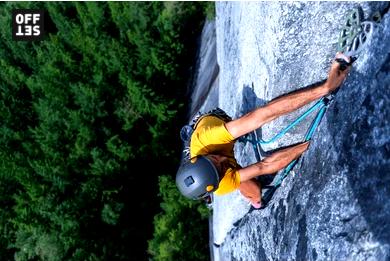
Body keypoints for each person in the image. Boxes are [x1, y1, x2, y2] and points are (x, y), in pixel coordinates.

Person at [176, 53, 352, 209]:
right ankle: (255, 200)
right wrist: (309, 145)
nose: (222, 160)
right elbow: (263, 166)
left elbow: (264, 115)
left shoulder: (209, 138)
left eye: (214, 159)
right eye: (220, 169)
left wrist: (325, 88)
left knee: (242, 137)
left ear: (201, 157)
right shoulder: (221, 183)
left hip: (214, 122)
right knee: (254, 193)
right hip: (218, 170)